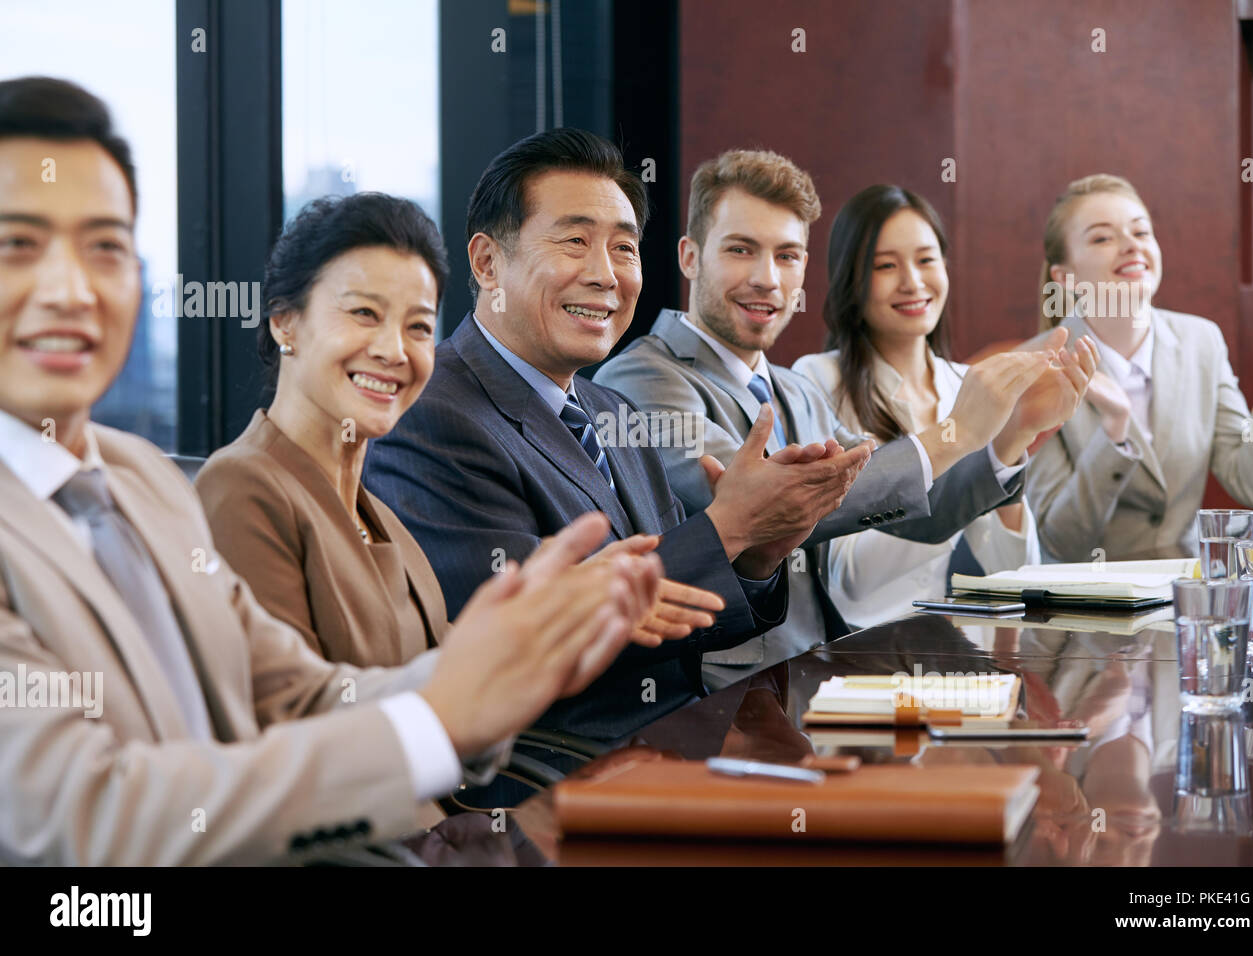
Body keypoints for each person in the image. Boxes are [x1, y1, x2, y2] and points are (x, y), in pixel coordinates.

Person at [0, 76, 658, 865]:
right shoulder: (241, 487)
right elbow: (89, 815)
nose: (71, 290)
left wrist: (497, 669)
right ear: (286, 322)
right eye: (19, 244)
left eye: (105, 246)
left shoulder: (137, 478)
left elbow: (298, 690)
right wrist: (438, 718)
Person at [366, 128, 872, 740]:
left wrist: (761, 551)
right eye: (575, 241)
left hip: (681, 748)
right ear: (486, 262)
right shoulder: (429, 413)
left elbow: (678, 616)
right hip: (550, 787)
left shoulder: (611, 406)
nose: (606, 275)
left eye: (624, 249)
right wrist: (727, 528)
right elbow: (521, 649)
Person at [596, 151, 1095, 683]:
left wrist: (1010, 434)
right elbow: (765, 504)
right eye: (741, 250)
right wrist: (960, 432)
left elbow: (901, 501)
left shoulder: (795, 389)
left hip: (823, 678)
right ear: (690, 257)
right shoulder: (639, 379)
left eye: (787, 256)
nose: (767, 278)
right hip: (720, 692)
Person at [196, 193, 720, 666]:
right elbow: (295, 722)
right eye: (362, 313)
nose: (393, 350)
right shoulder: (244, 487)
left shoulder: (370, 509)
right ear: (284, 321)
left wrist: (551, 613)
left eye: (418, 326)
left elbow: (445, 671)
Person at [794, 185, 1064, 627]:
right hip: (855, 659)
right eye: (885, 265)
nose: (913, 282)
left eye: (926, 259)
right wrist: (957, 448)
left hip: (955, 653)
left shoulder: (965, 381)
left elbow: (1010, 573)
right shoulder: (817, 381)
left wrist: (1013, 441)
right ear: (851, 279)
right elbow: (852, 580)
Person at [1024, 173, 1253, 562]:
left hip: (1184, 604)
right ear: (1064, 278)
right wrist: (1115, 434)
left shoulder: (1201, 341)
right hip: (1084, 609)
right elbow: (1061, 542)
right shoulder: (1038, 369)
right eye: (1103, 238)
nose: (1132, 246)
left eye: (1141, 232)